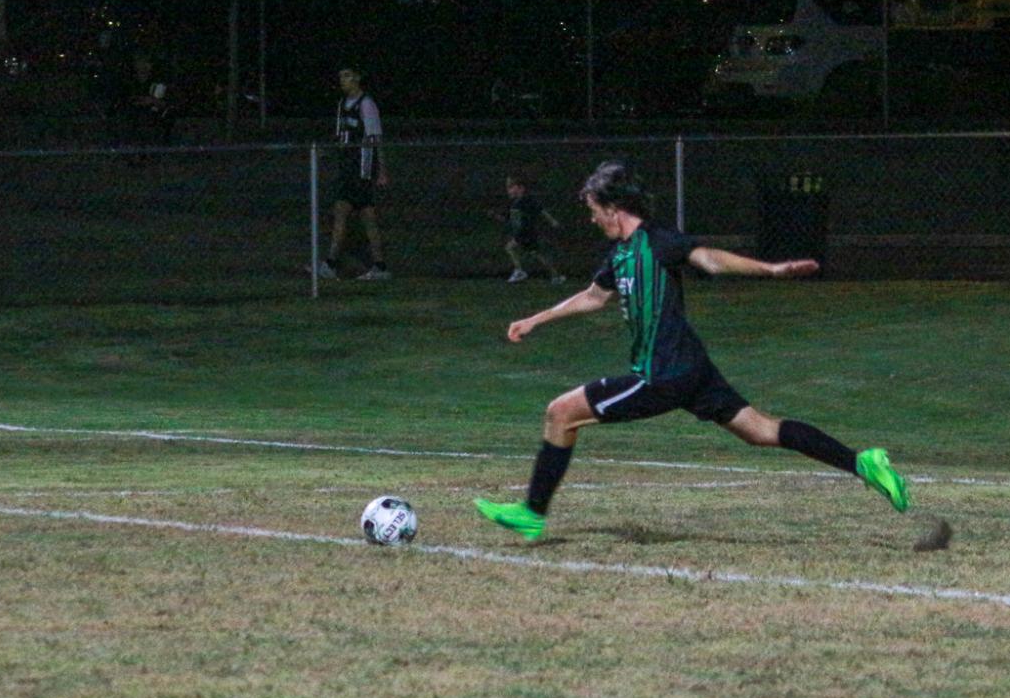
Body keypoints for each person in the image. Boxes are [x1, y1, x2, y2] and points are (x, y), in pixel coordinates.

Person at [475, 160, 910, 542]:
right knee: (762, 431)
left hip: (661, 375)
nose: (591, 220)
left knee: (560, 412)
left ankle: (532, 513)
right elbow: (593, 296)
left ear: (612, 207)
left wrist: (770, 270)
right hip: (692, 369)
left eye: (593, 211)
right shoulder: (621, 254)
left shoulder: (658, 241)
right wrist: (536, 319)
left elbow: (711, 261)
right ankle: (864, 463)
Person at [320, 67, 390, 280]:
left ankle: (331, 264)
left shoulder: (367, 105)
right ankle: (379, 267)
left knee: (343, 210)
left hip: (362, 169)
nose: (343, 80)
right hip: (347, 167)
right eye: (341, 76)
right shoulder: (342, 105)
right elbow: (341, 136)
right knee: (365, 216)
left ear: (358, 78)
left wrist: (382, 170)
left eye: (347, 75)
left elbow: (375, 138)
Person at [503, 175, 564, 283]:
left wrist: (552, 221)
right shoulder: (517, 202)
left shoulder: (527, 200)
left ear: (520, 188)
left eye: (512, 187)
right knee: (537, 254)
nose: (509, 190)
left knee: (510, 248)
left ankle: (519, 271)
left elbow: (541, 211)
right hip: (524, 232)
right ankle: (556, 276)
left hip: (526, 232)